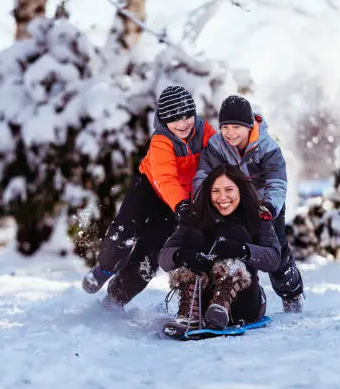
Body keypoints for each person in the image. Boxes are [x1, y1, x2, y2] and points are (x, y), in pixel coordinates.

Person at [81, 85, 216, 309]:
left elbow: (220, 162)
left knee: (148, 259)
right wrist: (181, 204)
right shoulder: (161, 140)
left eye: (187, 116)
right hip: (150, 191)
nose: (182, 124)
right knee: (123, 234)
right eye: (175, 119)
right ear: (164, 121)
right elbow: (166, 178)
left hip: (178, 204)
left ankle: (114, 300)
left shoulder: (205, 132)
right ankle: (104, 269)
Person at [192, 95, 304, 312]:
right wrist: (201, 201)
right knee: (231, 245)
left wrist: (270, 207)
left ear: (249, 125)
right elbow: (203, 176)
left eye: (236, 127)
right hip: (233, 205)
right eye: (225, 127)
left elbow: (277, 181)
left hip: (266, 206)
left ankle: (291, 292)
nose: (230, 133)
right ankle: (244, 296)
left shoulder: (267, 147)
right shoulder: (216, 146)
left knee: (276, 252)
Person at [158, 164, 281, 336]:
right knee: (193, 236)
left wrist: (243, 250)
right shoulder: (196, 216)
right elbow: (163, 257)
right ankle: (190, 314)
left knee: (235, 232)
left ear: (240, 191)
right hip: (201, 301)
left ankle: (222, 304)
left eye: (229, 189)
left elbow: (274, 259)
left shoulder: (256, 216)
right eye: (216, 191)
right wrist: (180, 256)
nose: (222, 197)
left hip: (243, 301)